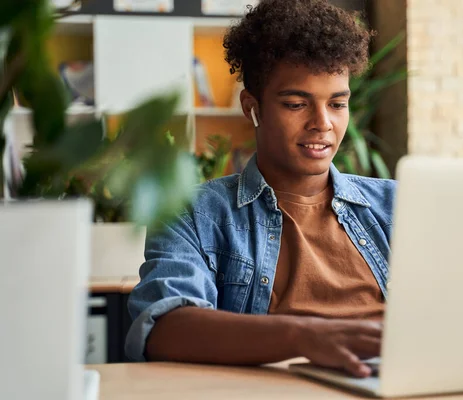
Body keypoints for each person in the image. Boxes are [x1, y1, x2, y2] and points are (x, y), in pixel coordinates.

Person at [125, 0, 397, 378]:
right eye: (296, 103)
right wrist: (305, 335)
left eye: (337, 103)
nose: (323, 123)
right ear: (252, 107)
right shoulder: (195, 212)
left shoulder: (396, 205)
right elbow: (164, 328)